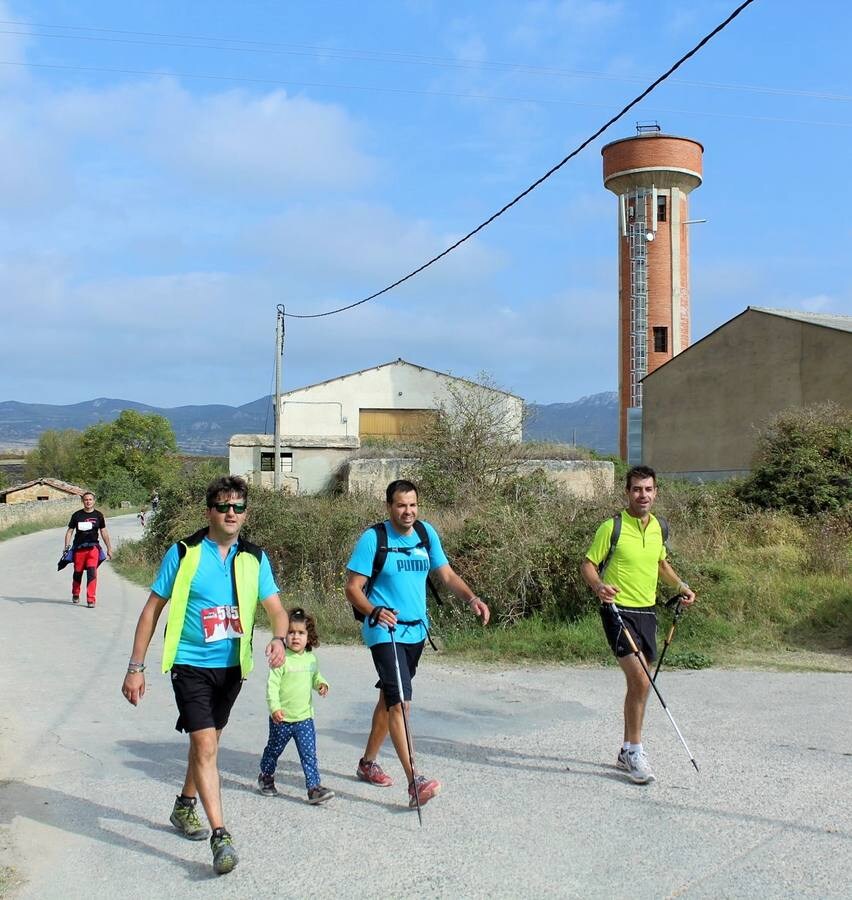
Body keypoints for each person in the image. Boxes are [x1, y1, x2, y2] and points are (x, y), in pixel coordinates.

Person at [120, 476, 289, 877]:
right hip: (191, 664)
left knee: (208, 742)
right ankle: (221, 836)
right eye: (223, 506)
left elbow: (277, 609)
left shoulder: (254, 557)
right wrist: (135, 667)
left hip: (232, 668)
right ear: (208, 511)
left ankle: (184, 805)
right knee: (206, 745)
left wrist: (280, 638)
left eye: (238, 506)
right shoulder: (184, 553)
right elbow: (151, 610)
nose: (231, 513)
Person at [345, 479, 490, 809]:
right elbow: (353, 588)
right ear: (388, 506)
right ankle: (415, 780)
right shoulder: (374, 539)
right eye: (400, 505)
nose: (407, 511)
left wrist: (472, 599)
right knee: (400, 703)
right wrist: (375, 611)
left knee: (390, 696)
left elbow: (448, 576)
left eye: (412, 505)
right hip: (385, 630)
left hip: (416, 631)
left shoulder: (426, 534)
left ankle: (368, 763)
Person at [580, 465, 696, 785]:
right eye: (636, 489)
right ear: (627, 492)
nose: (642, 495)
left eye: (648, 489)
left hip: (647, 612)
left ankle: (625, 750)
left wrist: (681, 586)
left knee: (638, 685)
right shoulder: (612, 527)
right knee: (642, 680)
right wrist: (599, 587)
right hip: (617, 610)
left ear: (656, 492)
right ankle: (635, 752)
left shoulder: (660, 527)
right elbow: (588, 564)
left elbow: (660, 563)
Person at [257, 607, 334, 804]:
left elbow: (316, 676)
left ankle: (313, 788)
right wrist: (274, 708)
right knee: (274, 750)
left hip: (304, 718)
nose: (295, 637)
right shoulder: (281, 658)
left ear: (309, 636)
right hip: (282, 718)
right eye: (291, 632)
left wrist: (322, 684)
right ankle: (266, 776)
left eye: (300, 633)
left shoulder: (311, 659)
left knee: (309, 755)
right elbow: (272, 686)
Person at [63, 491, 112, 607]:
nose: (88, 502)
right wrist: (66, 547)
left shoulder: (98, 515)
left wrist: (109, 547)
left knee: (92, 573)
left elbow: (103, 531)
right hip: (79, 549)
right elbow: (70, 531)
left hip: (93, 549)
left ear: (94, 501)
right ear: (82, 501)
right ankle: (75, 593)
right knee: (78, 573)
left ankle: (91, 599)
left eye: (90, 499)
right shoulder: (77, 515)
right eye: (86, 500)